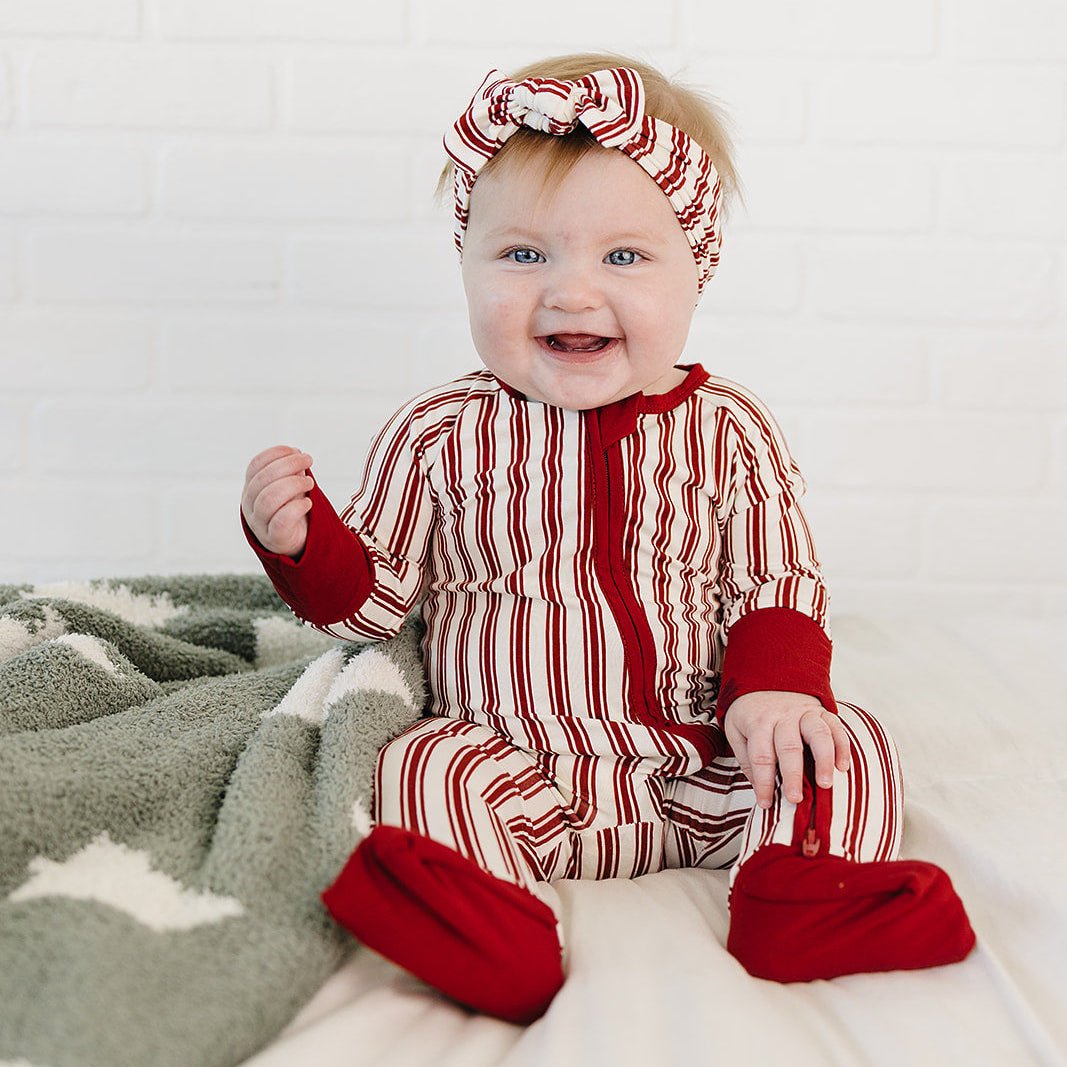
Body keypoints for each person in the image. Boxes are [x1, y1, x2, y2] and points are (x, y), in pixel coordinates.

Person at [240, 53, 975, 1025]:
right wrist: (299, 541)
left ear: (693, 271)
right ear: (465, 264)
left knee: (843, 739)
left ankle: (800, 895)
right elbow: (376, 601)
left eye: (622, 257)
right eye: (523, 255)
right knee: (420, 762)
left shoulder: (727, 429)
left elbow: (777, 578)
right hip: (518, 766)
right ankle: (485, 924)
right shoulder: (438, 432)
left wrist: (774, 689)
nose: (572, 292)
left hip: (703, 765)